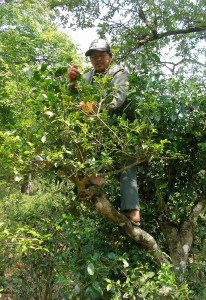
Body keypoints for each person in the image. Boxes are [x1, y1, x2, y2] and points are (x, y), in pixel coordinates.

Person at [68, 38, 140, 225]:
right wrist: (72, 83)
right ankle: (95, 181)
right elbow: (73, 97)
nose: (97, 59)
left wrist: (94, 106)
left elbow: (117, 100)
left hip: (123, 128)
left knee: (127, 164)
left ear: (110, 56)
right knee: (90, 144)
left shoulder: (119, 73)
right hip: (99, 130)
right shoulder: (88, 76)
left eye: (101, 55)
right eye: (93, 57)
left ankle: (132, 211)